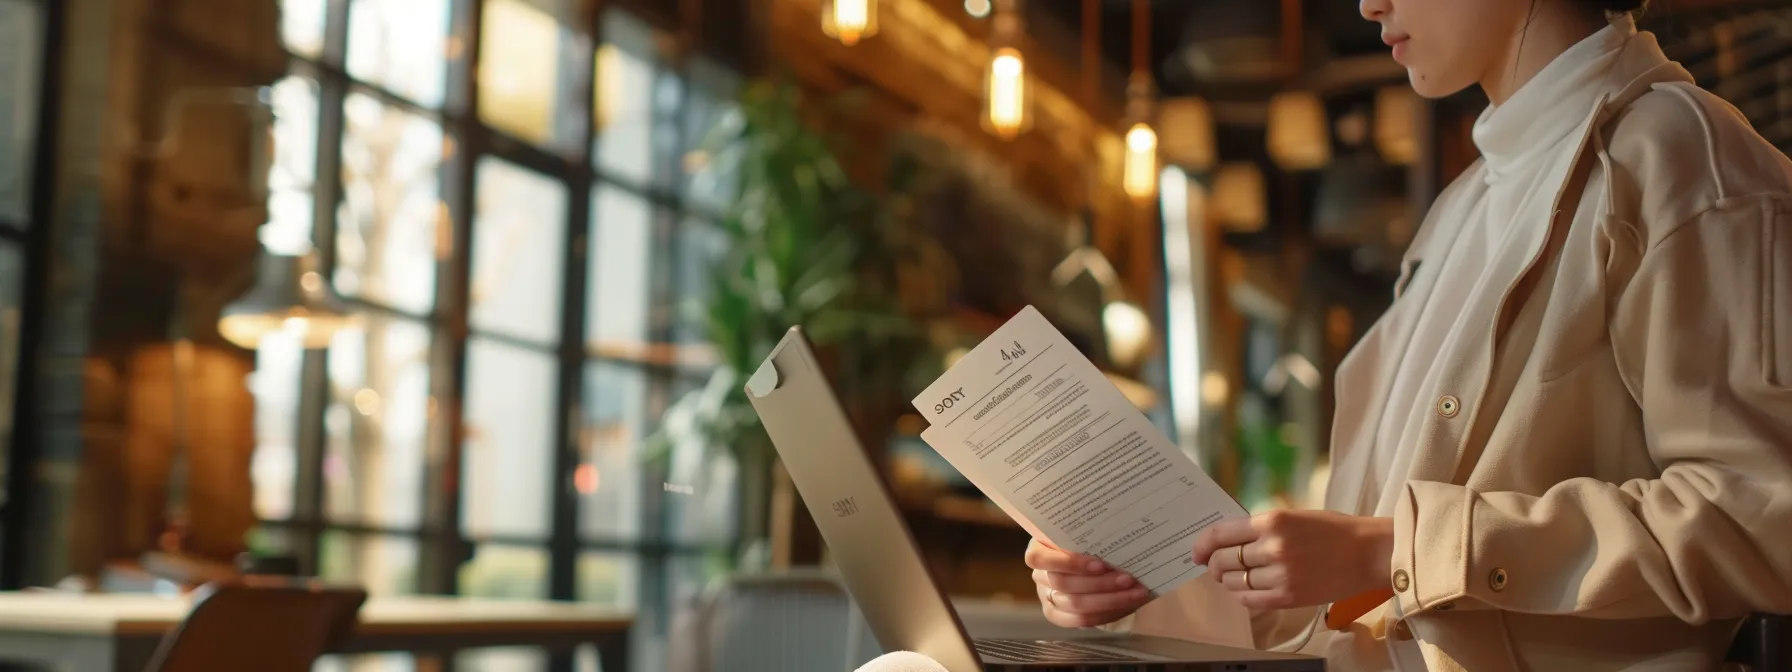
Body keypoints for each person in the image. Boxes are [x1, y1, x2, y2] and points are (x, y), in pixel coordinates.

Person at [1025, 0, 1792, 669]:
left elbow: (1761, 519)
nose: (1367, 5)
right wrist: (1145, 584)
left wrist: (1390, 549)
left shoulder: (1683, 157)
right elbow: (1378, 604)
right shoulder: (1460, 209)